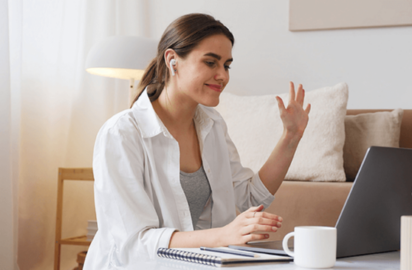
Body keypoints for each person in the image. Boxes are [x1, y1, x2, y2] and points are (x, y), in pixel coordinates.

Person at [84, 13, 311, 269]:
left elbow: (247, 198)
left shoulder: (213, 125)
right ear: (172, 61)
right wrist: (223, 236)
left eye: (226, 65)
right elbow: (134, 244)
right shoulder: (121, 134)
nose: (222, 76)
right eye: (210, 62)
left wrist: (291, 137)